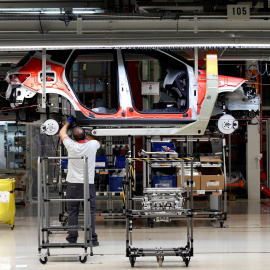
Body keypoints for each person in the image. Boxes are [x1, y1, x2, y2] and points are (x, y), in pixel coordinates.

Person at [59, 115, 101, 246]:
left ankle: (72, 239)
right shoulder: (93, 145)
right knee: (90, 212)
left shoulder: (71, 145)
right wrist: (87, 134)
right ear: (84, 136)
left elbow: (61, 132)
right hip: (88, 184)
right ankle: (92, 239)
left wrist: (68, 122)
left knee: (72, 211)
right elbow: (99, 142)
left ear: (73, 138)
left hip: (73, 185)